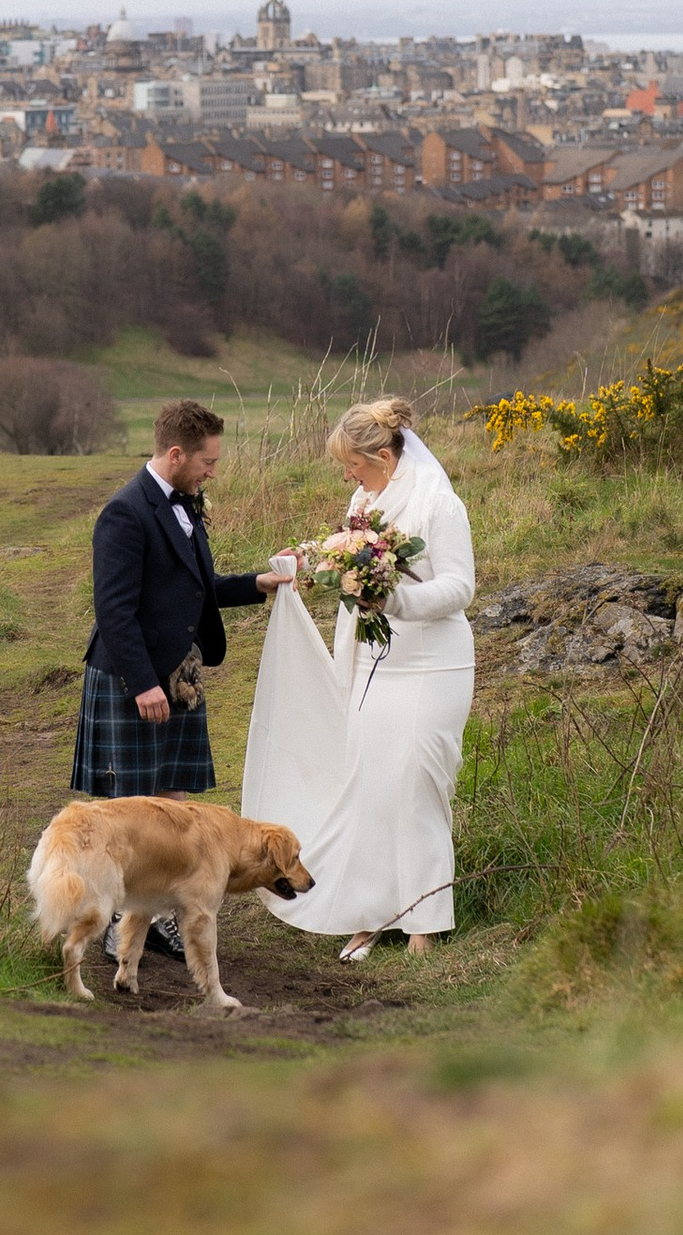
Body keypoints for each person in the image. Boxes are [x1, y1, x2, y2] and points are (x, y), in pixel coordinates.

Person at [240, 396, 476, 958]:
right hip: (375, 662)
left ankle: (422, 920)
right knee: (369, 785)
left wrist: (395, 600)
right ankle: (369, 912)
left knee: (416, 785)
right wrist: (308, 560)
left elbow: (460, 588)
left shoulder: (439, 503)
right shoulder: (364, 501)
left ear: (383, 458)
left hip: (432, 665)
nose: (347, 476)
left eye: (352, 464)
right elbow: (348, 554)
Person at [72, 397, 295, 959]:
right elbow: (114, 610)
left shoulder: (185, 505)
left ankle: (159, 919)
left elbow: (197, 587)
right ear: (176, 454)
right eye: (207, 462)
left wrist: (258, 584)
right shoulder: (125, 513)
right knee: (130, 812)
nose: (211, 472)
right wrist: (143, 683)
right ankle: (114, 925)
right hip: (137, 679)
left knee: (174, 809)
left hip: (183, 678)